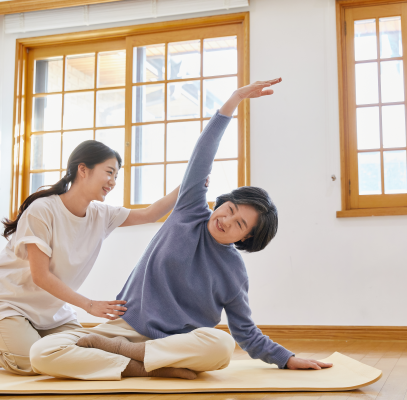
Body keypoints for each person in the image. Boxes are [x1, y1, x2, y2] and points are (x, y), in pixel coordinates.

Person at [29, 78, 333, 381]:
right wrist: (234, 101)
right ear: (223, 202)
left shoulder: (233, 271)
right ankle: (140, 364)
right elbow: (204, 153)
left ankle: (134, 358)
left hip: (175, 345)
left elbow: (245, 332)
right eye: (230, 209)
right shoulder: (190, 210)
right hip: (123, 329)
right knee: (42, 352)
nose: (226, 220)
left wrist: (287, 358)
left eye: (239, 224)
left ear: (246, 237)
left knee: (222, 345)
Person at [0, 140, 183, 376]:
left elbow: (149, 214)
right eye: (109, 172)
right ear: (83, 169)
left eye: (116, 176)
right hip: (9, 304)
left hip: (51, 312)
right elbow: (40, 276)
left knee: (82, 351)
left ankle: (8, 336)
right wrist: (90, 305)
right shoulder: (42, 210)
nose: (113, 182)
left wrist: (187, 184)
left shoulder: (102, 215)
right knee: (37, 363)